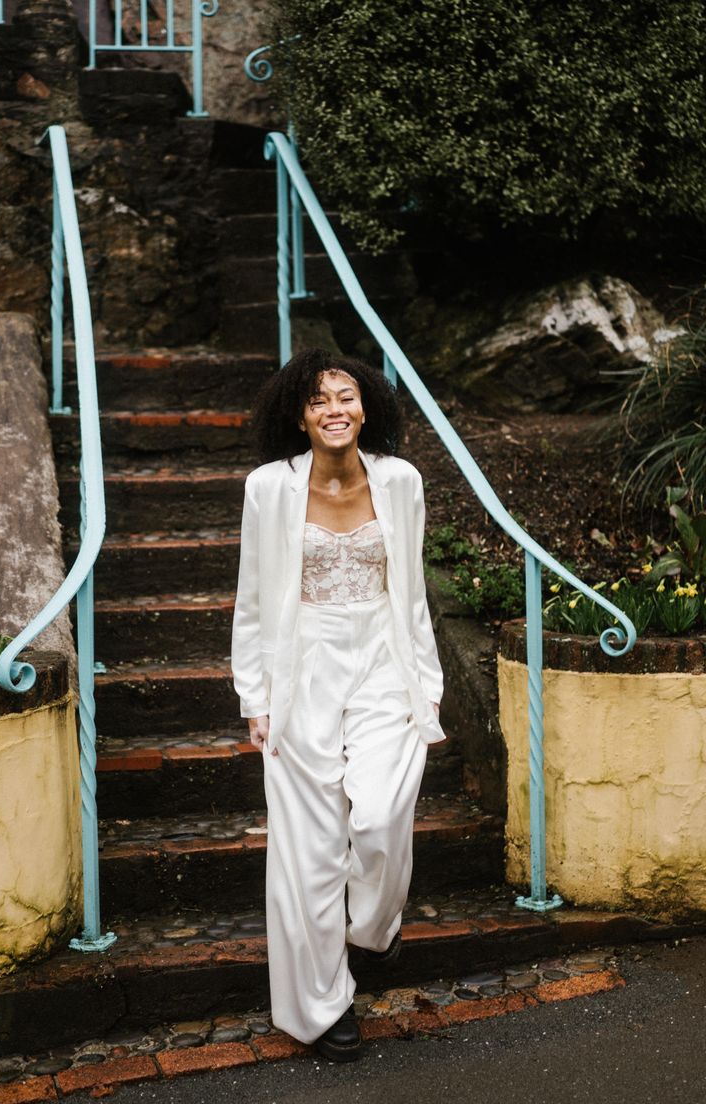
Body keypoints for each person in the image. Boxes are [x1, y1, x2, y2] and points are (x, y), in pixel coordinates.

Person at [230, 347, 445, 1062]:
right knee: (309, 849)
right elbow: (254, 601)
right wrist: (254, 696)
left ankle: (375, 927)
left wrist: (429, 685)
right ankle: (321, 1009)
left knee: (382, 812)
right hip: (303, 669)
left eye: (345, 396)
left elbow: (410, 594)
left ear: (366, 407)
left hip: (384, 662)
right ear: (298, 415)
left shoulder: (402, 481)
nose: (334, 410)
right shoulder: (269, 488)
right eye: (319, 400)